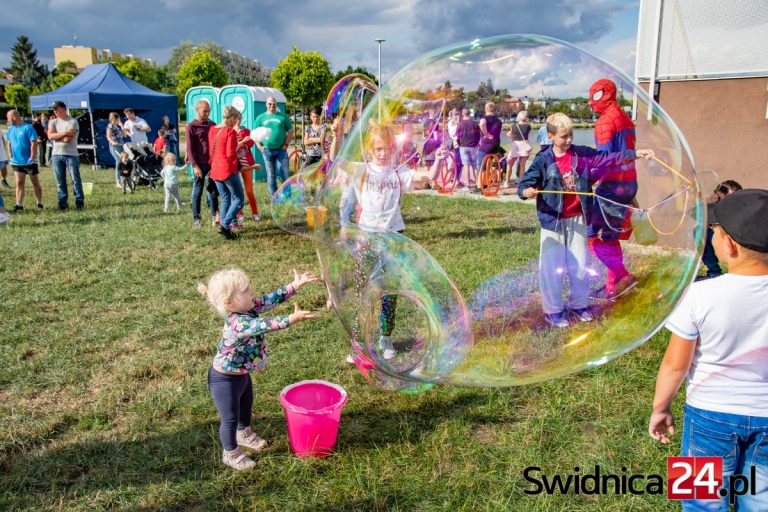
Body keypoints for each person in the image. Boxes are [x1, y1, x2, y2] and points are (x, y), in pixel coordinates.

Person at [648, 189, 768, 512]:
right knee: (760, 504)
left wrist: (660, 408)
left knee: (700, 504)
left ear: (728, 245)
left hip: (707, 416)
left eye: (714, 230)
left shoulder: (699, 296)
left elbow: (675, 365)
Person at [517, 113, 654, 327]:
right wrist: (525, 191)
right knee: (551, 267)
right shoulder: (543, 159)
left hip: (578, 218)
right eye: (564, 136)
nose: (569, 140)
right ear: (551, 136)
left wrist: (636, 153)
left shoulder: (581, 155)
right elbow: (525, 182)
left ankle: (578, 306)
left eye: (571, 135)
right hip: (553, 220)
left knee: (579, 264)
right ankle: (552, 311)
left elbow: (609, 157)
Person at [199, 267, 320, 470]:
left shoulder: (248, 307)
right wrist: (292, 318)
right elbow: (265, 325)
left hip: (241, 374)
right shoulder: (238, 324)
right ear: (229, 302)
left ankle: (243, 433)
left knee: (246, 406)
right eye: (245, 290)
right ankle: (230, 452)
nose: (252, 292)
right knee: (229, 419)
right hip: (224, 380)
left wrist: (294, 285)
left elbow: (270, 299)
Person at [339, 124, 415, 359]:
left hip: (393, 237)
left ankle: (386, 337)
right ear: (370, 150)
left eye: (388, 149)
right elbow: (338, 160)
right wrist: (336, 134)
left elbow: (423, 177)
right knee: (364, 291)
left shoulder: (398, 172)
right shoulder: (362, 171)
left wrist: (439, 161)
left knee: (389, 290)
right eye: (379, 149)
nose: (383, 154)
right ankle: (360, 342)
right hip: (367, 237)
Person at [588, 78, 640, 299]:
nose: (591, 102)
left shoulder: (605, 122)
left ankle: (623, 276)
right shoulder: (626, 119)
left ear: (603, 94)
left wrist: (586, 181)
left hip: (612, 186)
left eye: (594, 96)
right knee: (610, 236)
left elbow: (604, 160)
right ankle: (613, 282)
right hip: (629, 182)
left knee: (591, 236)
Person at [209, 106, 245, 240]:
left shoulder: (212, 130)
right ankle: (225, 225)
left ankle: (225, 230)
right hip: (227, 170)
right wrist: (239, 154)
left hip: (215, 170)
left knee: (225, 199)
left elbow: (212, 151)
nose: (236, 122)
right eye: (236, 119)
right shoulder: (230, 131)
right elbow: (230, 154)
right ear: (230, 118)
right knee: (239, 199)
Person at [186, 100, 219, 229]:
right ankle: (197, 219)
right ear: (197, 110)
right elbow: (189, 148)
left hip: (212, 163)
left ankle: (214, 216)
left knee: (213, 191)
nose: (207, 113)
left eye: (208, 111)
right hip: (199, 164)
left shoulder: (212, 125)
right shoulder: (191, 126)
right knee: (198, 191)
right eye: (204, 111)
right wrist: (194, 166)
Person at [699, 180, 742, 280]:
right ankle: (714, 272)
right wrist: (707, 204)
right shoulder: (713, 204)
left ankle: (740, 271)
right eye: (722, 197)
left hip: (740, 238)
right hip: (724, 239)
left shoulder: (740, 206)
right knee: (701, 232)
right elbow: (700, 223)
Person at [47, 101, 84, 211]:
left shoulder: (73, 122)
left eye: (57, 109)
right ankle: (62, 203)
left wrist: (56, 136)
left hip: (71, 154)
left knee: (75, 179)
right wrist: (64, 133)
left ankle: (79, 201)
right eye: (54, 110)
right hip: (56, 154)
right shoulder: (53, 122)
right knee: (60, 180)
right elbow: (50, 135)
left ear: (64, 108)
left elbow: (68, 140)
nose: (55, 112)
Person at [253, 96, 294, 197]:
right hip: (267, 150)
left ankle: (288, 195)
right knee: (271, 175)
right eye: (270, 104)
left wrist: (286, 145)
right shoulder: (260, 118)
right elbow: (254, 134)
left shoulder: (283, 117)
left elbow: (291, 131)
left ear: (276, 104)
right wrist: (259, 146)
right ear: (266, 105)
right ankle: (274, 196)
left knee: (284, 173)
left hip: (281, 150)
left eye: (274, 104)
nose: (272, 106)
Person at [6, 110, 42, 211]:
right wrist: (10, 155)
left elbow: (34, 143)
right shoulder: (10, 129)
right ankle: (19, 204)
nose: (7, 120)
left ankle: (39, 203)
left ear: (14, 117)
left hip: (29, 161)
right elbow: (9, 143)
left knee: (35, 182)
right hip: (17, 161)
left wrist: (32, 157)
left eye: (8, 118)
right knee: (19, 182)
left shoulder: (28, 128)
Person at [234, 116, 262, 222]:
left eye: (240, 118)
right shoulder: (230, 131)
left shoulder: (246, 131)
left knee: (249, 190)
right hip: (235, 165)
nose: (238, 120)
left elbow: (251, 143)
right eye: (236, 118)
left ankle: (255, 213)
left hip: (247, 164)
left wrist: (242, 135)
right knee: (237, 191)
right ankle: (240, 214)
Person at [456, 107, 480, 190]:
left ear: (462, 114)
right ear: (469, 113)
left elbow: (457, 136)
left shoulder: (460, 124)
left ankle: (467, 184)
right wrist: (476, 144)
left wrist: (459, 144)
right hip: (473, 146)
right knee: (474, 166)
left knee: (466, 165)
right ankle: (478, 183)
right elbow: (478, 135)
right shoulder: (475, 123)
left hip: (463, 146)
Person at [505, 110, 532, 185]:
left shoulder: (513, 126)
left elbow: (509, 134)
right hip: (524, 146)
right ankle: (520, 182)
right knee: (522, 165)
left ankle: (506, 182)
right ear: (526, 117)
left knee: (510, 164)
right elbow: (527, 133)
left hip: (515, 146)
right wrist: (527, 122)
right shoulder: (528, 126)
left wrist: (514, 138)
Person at [477, 101, 503, 171]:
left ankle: (481, 177)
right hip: (496, 145)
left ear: (486, 109)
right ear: (494, 109)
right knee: (492, 160)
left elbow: (482, 124)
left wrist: (486, 134)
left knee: (480, 161)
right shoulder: (499, 121)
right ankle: (492, 174)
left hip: (486, 144)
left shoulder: (484, 118)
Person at [106, 112, 126, 188]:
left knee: (123, 162)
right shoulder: (110, 126)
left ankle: (122, 180)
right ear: (115, 118)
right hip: (114, 146)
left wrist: (122, 126)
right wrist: (113, 142)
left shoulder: (117, 126)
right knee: (118, 162)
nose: (119, 120)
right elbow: (108, 137)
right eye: (118, 118)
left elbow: (124, 135)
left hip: (121, 145)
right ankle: (118, 182)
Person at [0, 121, 11, 189]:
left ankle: (3, 180)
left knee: (4, 167)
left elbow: (2, 138)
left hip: (1, 152)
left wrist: (4, 148)